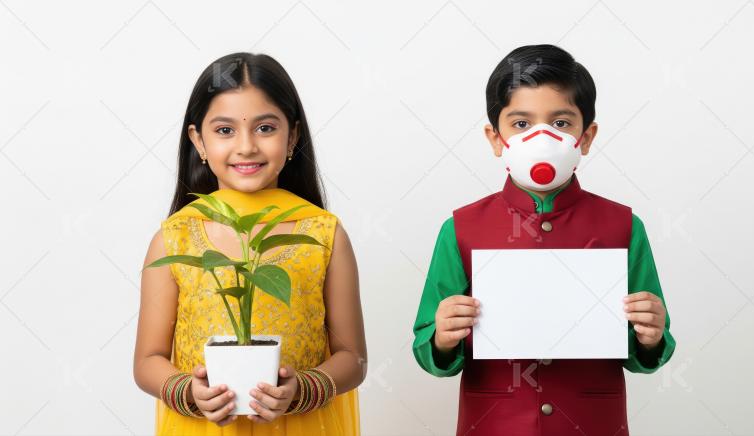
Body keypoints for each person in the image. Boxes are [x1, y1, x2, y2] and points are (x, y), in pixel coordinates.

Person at [412, 44, 676, 435]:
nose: (542, 137)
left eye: (561, 122)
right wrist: (443, 337)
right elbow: (426, 345)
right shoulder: (461, 228)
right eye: (521, 123)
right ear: (495, 138)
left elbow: (650, 348)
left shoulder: (624, 226)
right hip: (496, 426)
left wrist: (651, 336)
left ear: (586, 137)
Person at [134, 52, 366, 435]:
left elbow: (353, 358)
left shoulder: (323, 236)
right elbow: (147, 360)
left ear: (293, 136)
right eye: (225, 130)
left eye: (265, 128)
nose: (246, 146)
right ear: (198, 140)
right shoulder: (175, 238)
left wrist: (301, 390)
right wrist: (189, 391)